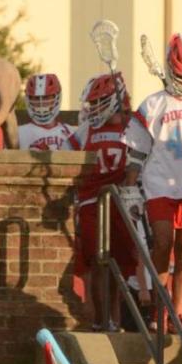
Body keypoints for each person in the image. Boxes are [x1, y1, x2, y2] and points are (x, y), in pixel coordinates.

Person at [125, 32, 182, 328]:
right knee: (163, 242)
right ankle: (159, 307)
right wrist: (130, 187)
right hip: (160, 183)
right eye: (180, 75)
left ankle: (178, 314)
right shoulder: (153, 104)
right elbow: (137, 150)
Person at [73, 71, 139, 329]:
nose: (94, 108)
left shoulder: (132, 128)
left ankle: (116, 318)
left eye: (100, 101)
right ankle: (101, 321)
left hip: (121, 202)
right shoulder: (84, 130)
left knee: (121, 266)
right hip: (92, 203)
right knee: (98, 262)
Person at [19, 73, 79, 152]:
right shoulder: (18, 134)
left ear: (56, 98)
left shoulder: (72, 133)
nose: (41, 103)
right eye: (36, 98)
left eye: (46, 97)